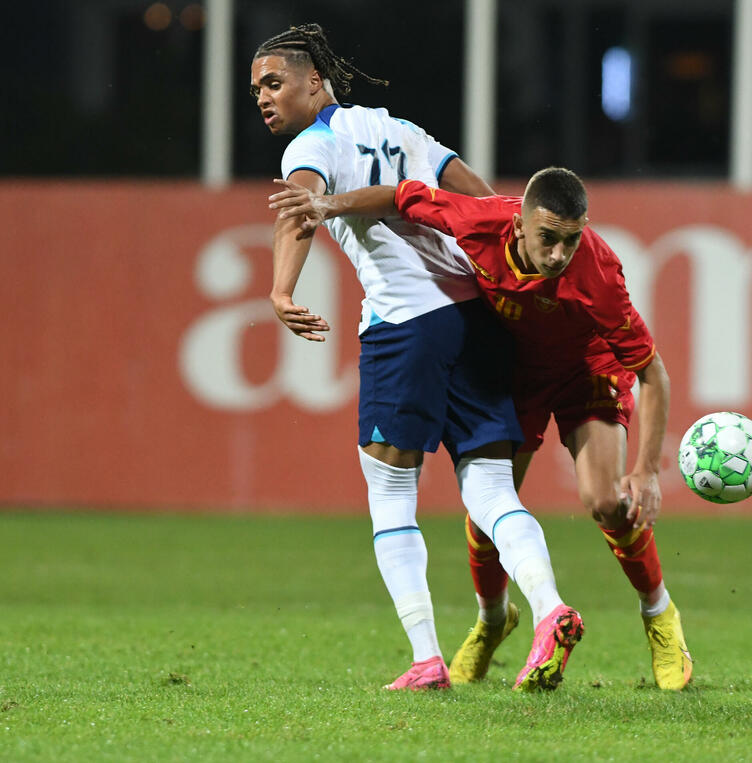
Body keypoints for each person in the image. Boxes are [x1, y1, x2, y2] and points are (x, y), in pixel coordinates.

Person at [268, 168, 694, 690]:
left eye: (571, 239)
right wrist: (330, 205)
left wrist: (647, 470)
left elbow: (653, 372)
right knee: (488, 507)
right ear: (518, 226)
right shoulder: (479, 220)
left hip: (587, 370)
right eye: (548, 239)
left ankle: (659, 615)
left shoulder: (599, 273)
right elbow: (404, 198)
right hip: (518, 373)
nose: (559, 254)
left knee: (606, 500)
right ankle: (493, 620)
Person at [251, 23, 583, 692]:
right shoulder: (399, 127)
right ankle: (551, 609)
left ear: (315, 81)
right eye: (257, 87)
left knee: (390, 491)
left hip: (406, 324)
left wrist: (281, 287)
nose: (263, 96)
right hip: (475, 317)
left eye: (274, 82)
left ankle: (427, 657)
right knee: (488, 485)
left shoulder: (308, 146)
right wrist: (501, 265)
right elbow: (483, 198)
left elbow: (300, 208)